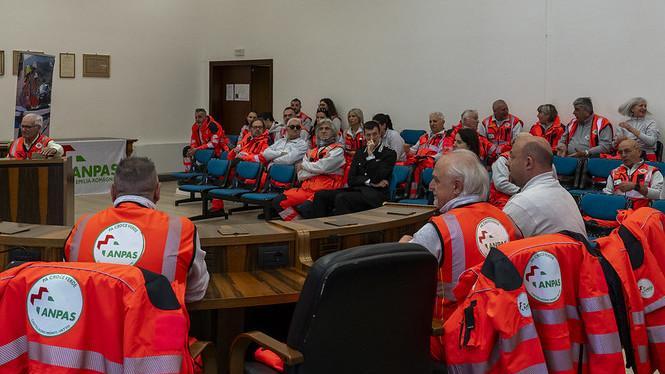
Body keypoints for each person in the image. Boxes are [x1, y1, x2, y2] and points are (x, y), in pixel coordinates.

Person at [398, 149, 518, 361]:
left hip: (448, 336)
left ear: (456, 186)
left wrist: (403, 247)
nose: (431, 186)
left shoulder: (439, 229)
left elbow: (400, 275)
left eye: (436, 180)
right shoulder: (506, 220)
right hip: (500, 333)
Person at [63, 157, 209, 303]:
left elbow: (70, 286)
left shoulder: (82, 227)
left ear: (113, 192)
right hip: (155, 324)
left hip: (94, 322)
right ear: (157, 192)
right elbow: (196, 293)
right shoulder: (181, 230)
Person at [504, 135, 586, 237]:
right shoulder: (565, 194)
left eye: (512, 157)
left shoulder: (521, 203)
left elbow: (497, 248)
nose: (507, 163)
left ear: (528, 163)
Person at [311, 121, 396, 217]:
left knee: (342, 198)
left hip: (375, 194)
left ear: (380, 134)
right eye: (368, 135)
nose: (372, 138)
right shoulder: (360, 152)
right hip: (357, 190)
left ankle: (344, 230)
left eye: (374, 134)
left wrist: (370, 155)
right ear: (364, 135)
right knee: (320, 195)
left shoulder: (389, 153)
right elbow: (351, 180)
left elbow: (377, 177)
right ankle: (321, 228)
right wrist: (369, 181)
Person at [272, 119, 345, 220]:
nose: (323, 131)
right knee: (278, 201)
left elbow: (322, 167)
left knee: (306, 208)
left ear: (333, 132)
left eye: (327, 128)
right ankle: (297, 223)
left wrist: (305, 165)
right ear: (317, 133)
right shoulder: (311, 151)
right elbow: (301, 175)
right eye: (321, 129)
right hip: (306, 189)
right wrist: (319, 171)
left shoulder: (338, 150)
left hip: (325, 191)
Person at [603, 139, 663, 208]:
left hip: (642, 213)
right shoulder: (614, 172)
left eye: (627, 151)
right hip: (618, 212)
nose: (623, 155)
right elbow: (607, 194)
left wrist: (635, 186)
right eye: (620, 152)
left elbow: (660, 196)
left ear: (639, 152)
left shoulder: (652, 171)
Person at [406, 112, 447, 197]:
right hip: (419, 163)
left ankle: (420, 194)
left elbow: (441, 154)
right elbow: (413, 150)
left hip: (432, 165)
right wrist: (407, 150)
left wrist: (426, 158)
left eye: (435, 121)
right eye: (430, 121)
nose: (432, 124)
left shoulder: (446, 137)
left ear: (443, 122)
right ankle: (410, 195)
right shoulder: (424, 137)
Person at [342, 108, 366, 178]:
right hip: (347, 159)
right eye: (349, 116)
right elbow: (342, 146)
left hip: (361, 159)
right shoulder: (345, 132)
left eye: (353, 116)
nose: (350, 118)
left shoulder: (365, 132)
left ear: (359, 117)